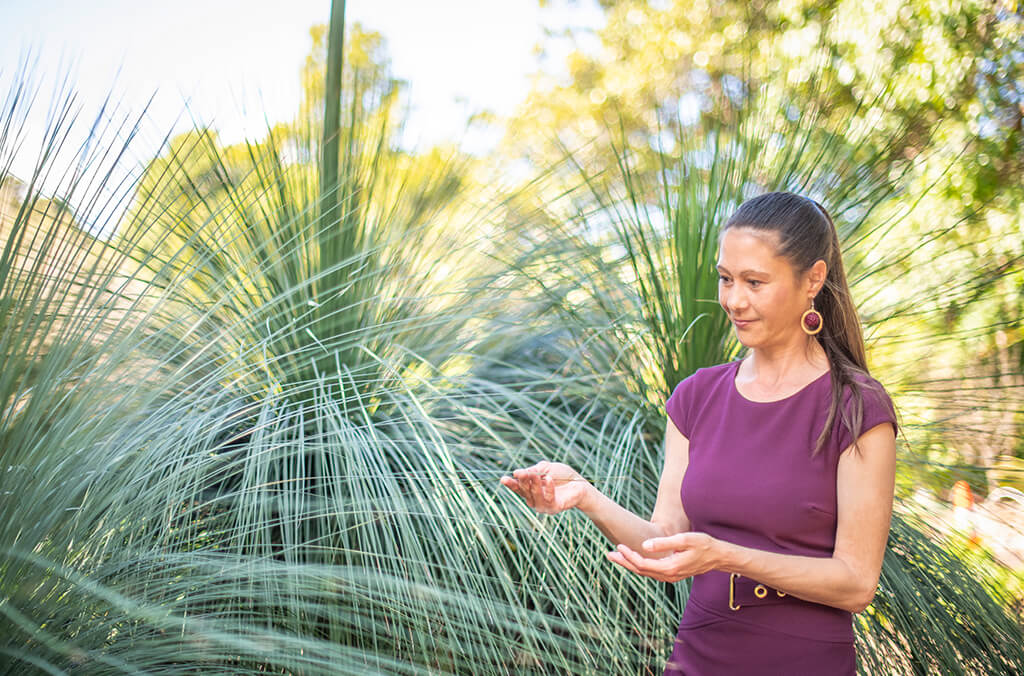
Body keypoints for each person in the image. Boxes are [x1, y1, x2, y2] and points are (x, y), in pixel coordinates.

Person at [499, 191, 900, 675]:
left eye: (754, 281)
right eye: (726, 279)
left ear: (813, 278)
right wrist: (586, 497)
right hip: (698, 658)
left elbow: (856, 583)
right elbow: (665, 538)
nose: (733, 300)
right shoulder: (696, 397)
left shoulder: (856, 406)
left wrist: (724, 556)